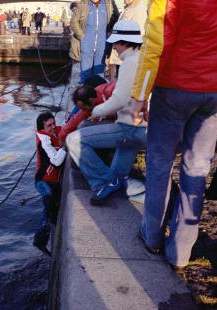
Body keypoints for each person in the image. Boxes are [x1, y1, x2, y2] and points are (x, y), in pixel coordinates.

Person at [129, 0, 217, 271]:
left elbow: (156, 41)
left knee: (159, 163)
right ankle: (180, 251)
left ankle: (152, 235)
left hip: (173, 87)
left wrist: (140, 94)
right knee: (197, 169)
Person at [66, 20, 146, 205]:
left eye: (116, 43)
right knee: (119, 176)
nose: (114, 47)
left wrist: (95, 111)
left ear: (125, 42)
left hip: (130, 128)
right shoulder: (142, 58)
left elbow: (120, 100)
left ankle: (103, 183)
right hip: (143, 125)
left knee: (74, 139)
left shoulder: (130, 62)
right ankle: (150, 194)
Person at [34, 112, 67, 255]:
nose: (53, 127)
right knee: (49, 208)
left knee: (51, 209)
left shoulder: (54, 131)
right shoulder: (44, 140)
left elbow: (67, 127)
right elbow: (56, 161)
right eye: (49, 125)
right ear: (42, 128)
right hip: (43, 181)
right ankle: (40, 241)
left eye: (54, 123)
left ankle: (42, 239)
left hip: (53, 180)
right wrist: (66, 146)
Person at [70, 0, 119, 82]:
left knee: (99, 73)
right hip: (86, 44)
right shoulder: (82, 4)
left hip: (102, 44)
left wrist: (108, 31)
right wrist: (82, 37)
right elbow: (73, 22)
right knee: (85, 73)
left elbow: (116, 15)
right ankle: (85, 91)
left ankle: (97, 92)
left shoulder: (108, 3)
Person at [108, 0, 147, 80]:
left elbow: (137, 34)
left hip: (128, 52)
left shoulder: (139, 10)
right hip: (122, 52)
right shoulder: (129, 8)